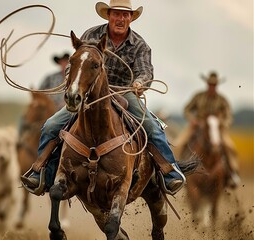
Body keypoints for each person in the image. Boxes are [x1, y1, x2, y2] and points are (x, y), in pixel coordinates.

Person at [21, 0, 186, 195]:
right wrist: (72, 80)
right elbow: (75, 64)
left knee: (151, 126)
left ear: (131, 18)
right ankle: (41, 174)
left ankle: (169, 172)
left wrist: (139, 83)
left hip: (124, 92)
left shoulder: (140, 45)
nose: (121, 18)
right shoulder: (91, 35)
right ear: (108, 15)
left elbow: (146, 72)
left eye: (125, 15)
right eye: (116, 14)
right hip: (89, 93)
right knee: (51, 125)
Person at [175, 71, 241, 188]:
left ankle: (232, 174)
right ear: (207, 84)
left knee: (230, 147)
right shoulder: (198, 96)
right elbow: (187, 109)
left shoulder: (222, 100)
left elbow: (229, 116)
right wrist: (192, 119)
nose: (212, 87)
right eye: (210, 84)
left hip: (216, 129)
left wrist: (222, 124)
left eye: (214, 85)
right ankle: (175, 172)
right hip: (196, 126)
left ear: (217, 85)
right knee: (178, 144)